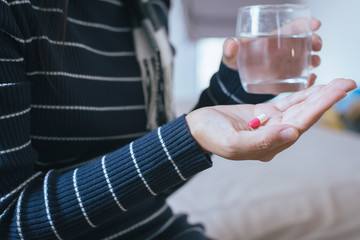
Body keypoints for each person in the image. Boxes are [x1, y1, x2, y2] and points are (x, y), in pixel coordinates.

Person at [0, 0, 356, 239]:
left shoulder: (149, 6)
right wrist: (189, 137)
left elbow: (140, 181)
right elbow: (11, 220)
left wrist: (232, 91)